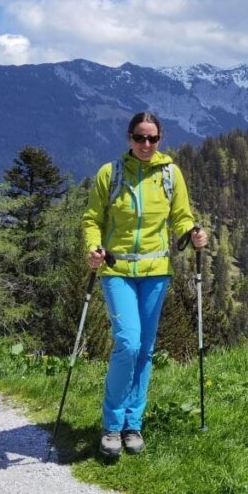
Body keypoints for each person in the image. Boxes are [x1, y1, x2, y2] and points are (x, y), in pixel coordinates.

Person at [82, 111, 208, 457]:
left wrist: (192, 233)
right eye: (140, 138)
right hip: (117, 270)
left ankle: (132, 425)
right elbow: (92, 219)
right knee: (128, 343)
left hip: (156, 272)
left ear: (159, 139)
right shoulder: (111, 173)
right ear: (129, 138)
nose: (146, 145)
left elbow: (181, 215)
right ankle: (111, 425)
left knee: (146, 348)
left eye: (152, 139)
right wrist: (93, 248)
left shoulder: (170, 174)